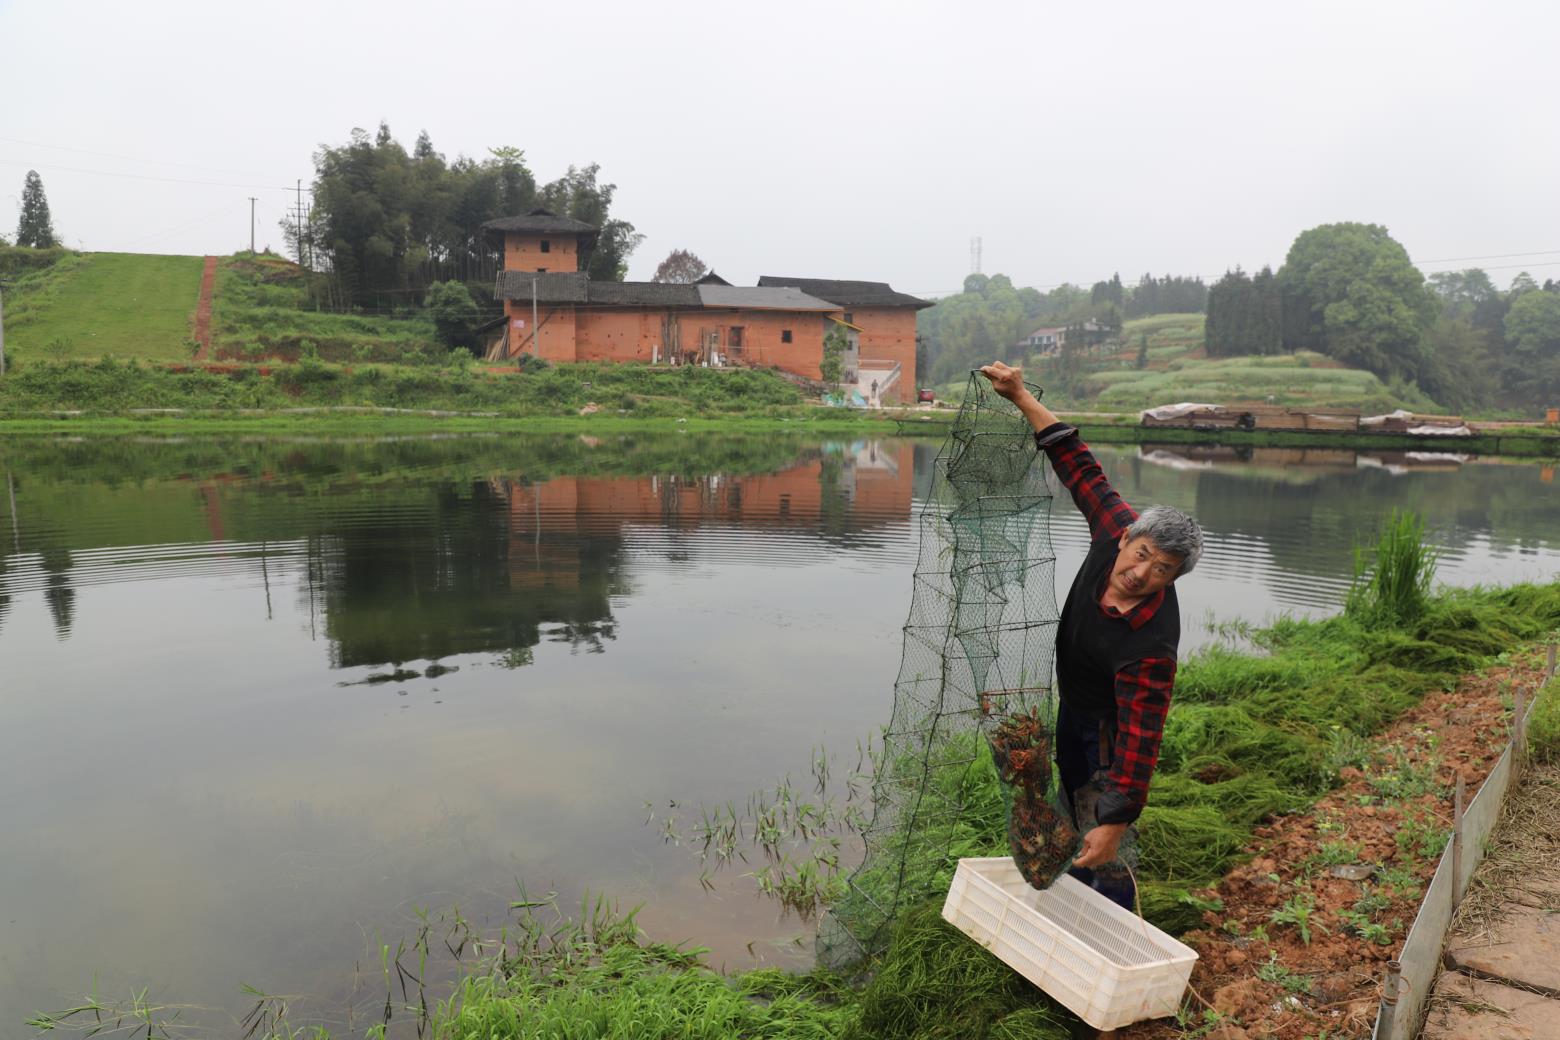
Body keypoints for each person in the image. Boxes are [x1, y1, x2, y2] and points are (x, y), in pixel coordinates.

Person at [980, 361, 1203, 909]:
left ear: (1173, 578)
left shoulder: (1150, 646)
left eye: (1163, 570)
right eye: (1144, 554)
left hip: (1108, 727)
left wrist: (1118, 817)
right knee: (1069, 797)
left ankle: (1113, 913)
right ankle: (1076, 896)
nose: (1144, 572)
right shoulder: (1114, 530)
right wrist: (1019, 396)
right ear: (1129, 538)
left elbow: (1140, 741)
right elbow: (1079, 465)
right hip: (1074, 706)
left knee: (1100, 826)